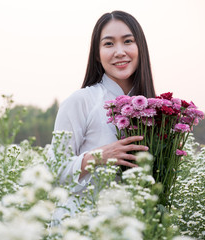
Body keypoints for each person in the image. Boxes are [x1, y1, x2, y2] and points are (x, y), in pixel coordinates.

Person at [48, 10, 156, 223]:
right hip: (80, 226)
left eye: (128, 41)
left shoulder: (156, 110)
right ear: (97, 54)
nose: (119, 52)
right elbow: (53, 172)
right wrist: (98, 157)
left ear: (140, 47)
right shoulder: (81, 101)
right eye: (108, 44)